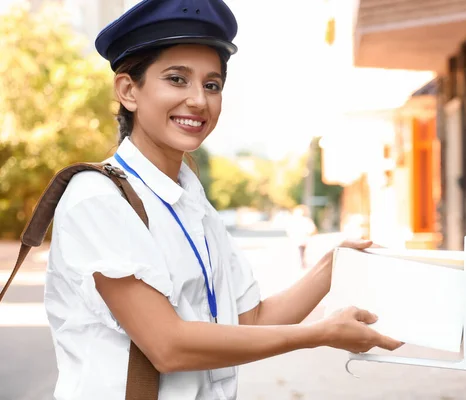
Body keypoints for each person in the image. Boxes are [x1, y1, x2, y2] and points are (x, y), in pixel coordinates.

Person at [44, 1, 402, 399]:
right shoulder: (97, 199)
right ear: (129, 90)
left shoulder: (191, 201)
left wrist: (332, 266)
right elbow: (168, 346)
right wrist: (318, 334)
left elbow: (251, 320)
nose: (199, 100)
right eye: (177, 79)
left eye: (211, 85)